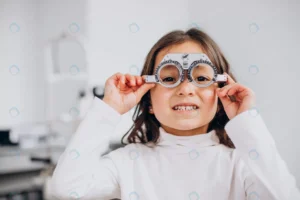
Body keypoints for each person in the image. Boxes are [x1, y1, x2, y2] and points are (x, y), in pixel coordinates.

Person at [49, 28, 300, 200]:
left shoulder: (242, 164)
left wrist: (245, 121)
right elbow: (67, 187)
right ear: (148, 100)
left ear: (222, 92)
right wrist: (109, 109)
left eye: (201, 78)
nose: (186, 88)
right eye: (169, 78)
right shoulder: (129, 162)